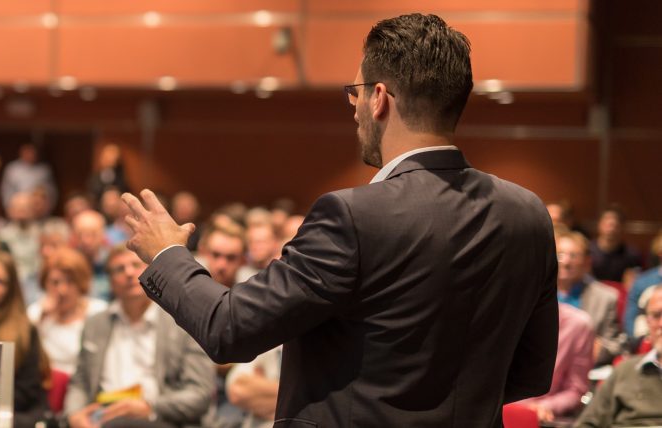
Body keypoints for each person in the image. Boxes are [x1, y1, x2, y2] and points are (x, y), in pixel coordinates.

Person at [121, 13, 558, 426]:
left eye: (356, 93)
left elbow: (229, 329)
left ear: (380, 98)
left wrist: (166, 252)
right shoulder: (528, 213)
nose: (354, 108)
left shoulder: (353, 216)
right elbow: (531, 374)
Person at [62, 246, 215, 428]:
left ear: (151, 273)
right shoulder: (96, 324)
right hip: (103, 417)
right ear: (110, 281)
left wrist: (150, 407)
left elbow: (200, 393)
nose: (128, 273)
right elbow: (79, 383)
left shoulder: (182, 321)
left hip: (161, 418)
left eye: (135, 265)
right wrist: (74, 416)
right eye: (119, 269)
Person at [0, 250, 52, 428]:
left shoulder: (25, 330)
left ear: (11, 290)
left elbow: (27, 392)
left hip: (18, 414)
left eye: (0, 282)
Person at [574, 286, 662, 427]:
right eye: (656, 315)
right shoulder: (624, 371)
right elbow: (587, 424)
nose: (661, 324)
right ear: (647, 321)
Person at [26, 246, 107, 374]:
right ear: (44, 283)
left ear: (81, 283)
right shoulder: (35, 313)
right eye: (55, 282)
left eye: (70, 281)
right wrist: (42, 319)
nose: (62, 290)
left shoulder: (98, 312)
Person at [516, 303, 594, 423]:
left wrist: (545, 406)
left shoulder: (577, 325)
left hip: (535, 415)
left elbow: (576, 390)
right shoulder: (500, 317)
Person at [556, 230, 625, 365]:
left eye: (573, 256)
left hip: (586, 368)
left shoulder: (606, 298)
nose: (566, 262)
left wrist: (596, 350)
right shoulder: (537, 293)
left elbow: (615, 344)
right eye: (560, 255)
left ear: (587, 262)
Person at [1, 144, 57, 213]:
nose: (29, 155)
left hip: (38, 207)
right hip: (17, 206)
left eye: (32, 152)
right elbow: (6, 190)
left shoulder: (44, 170)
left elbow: (51, 191)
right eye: (27, 152)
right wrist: (9, 207)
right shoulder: (12, 169)